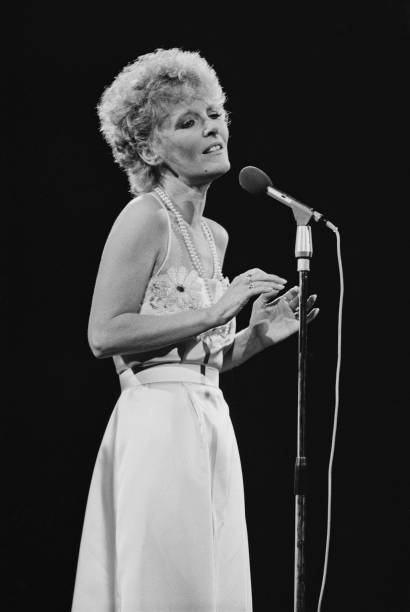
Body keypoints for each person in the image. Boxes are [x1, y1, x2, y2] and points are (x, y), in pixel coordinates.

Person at [71, 48, 318, 612]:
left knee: (209, 582)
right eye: (189, 121)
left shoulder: (215, 237)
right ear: (150, 147)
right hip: (156, 425)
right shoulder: (144, 217)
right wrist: (216, 310)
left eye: (214, 114)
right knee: (164, 582)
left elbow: (193, 361)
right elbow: (104, 334)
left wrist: (254, 336)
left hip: (209, 417)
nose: (212, 128)